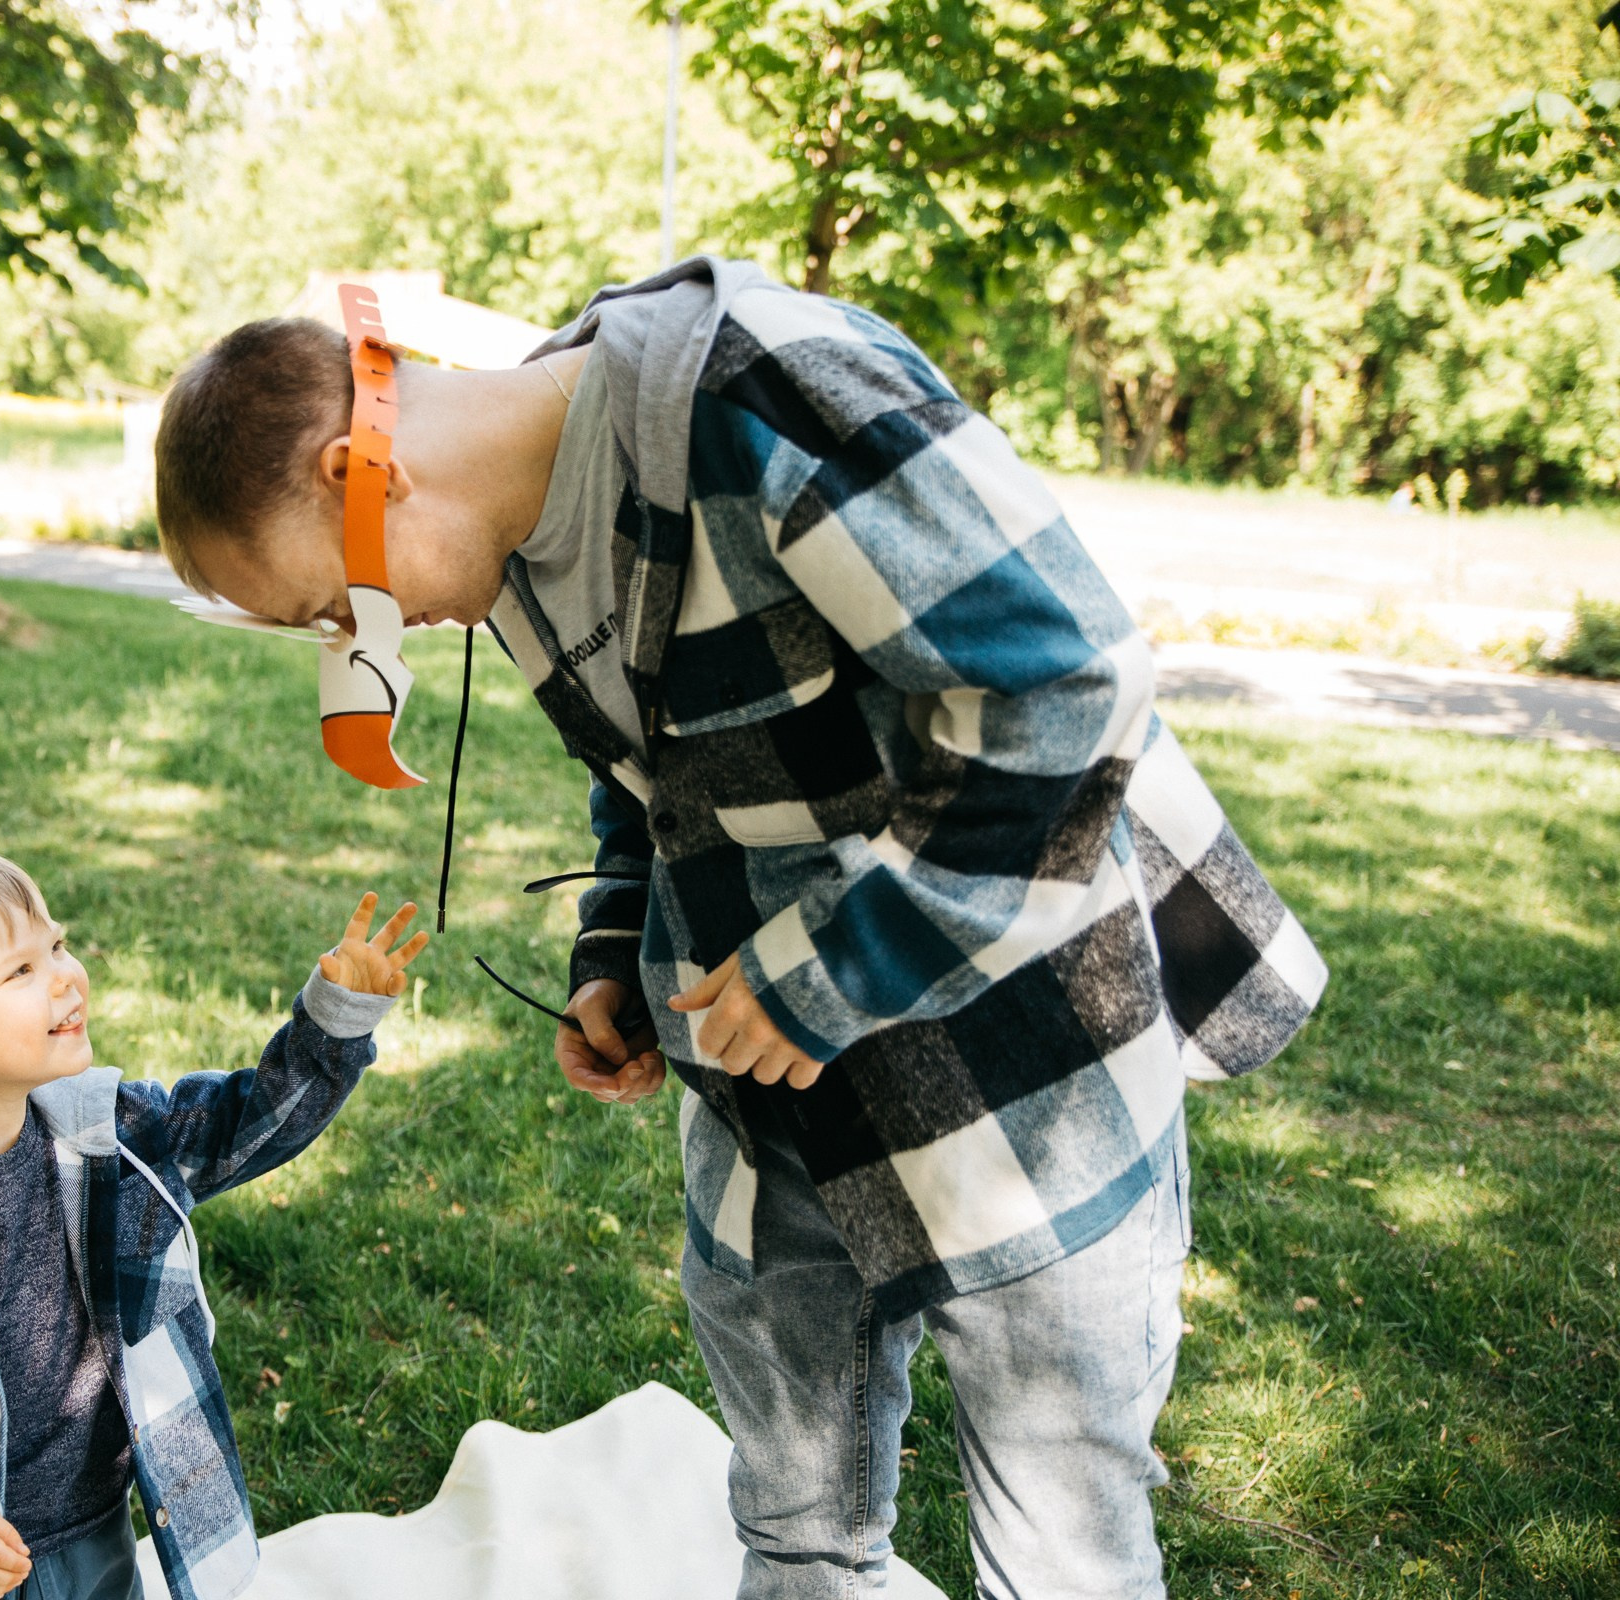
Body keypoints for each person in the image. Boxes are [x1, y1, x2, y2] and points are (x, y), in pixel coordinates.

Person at [150, 258, 1327, 1598]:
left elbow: (1065, 690)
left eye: (331, 608)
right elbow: (646, 765)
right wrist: (617, 954)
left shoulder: (767, 394)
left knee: (1062, 1556)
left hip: (1021, 1080)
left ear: (370, 473)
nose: (365, 649)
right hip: (776, 1123)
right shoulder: (515, 521)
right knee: (794, 1532)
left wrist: (831, 974)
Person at [0, 837, 428, 1600]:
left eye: (57, 945)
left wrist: (334, 1022)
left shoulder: (110, 1135)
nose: (66, 978)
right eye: (20, 970)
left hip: (94, 1523)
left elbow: (241, 1126)